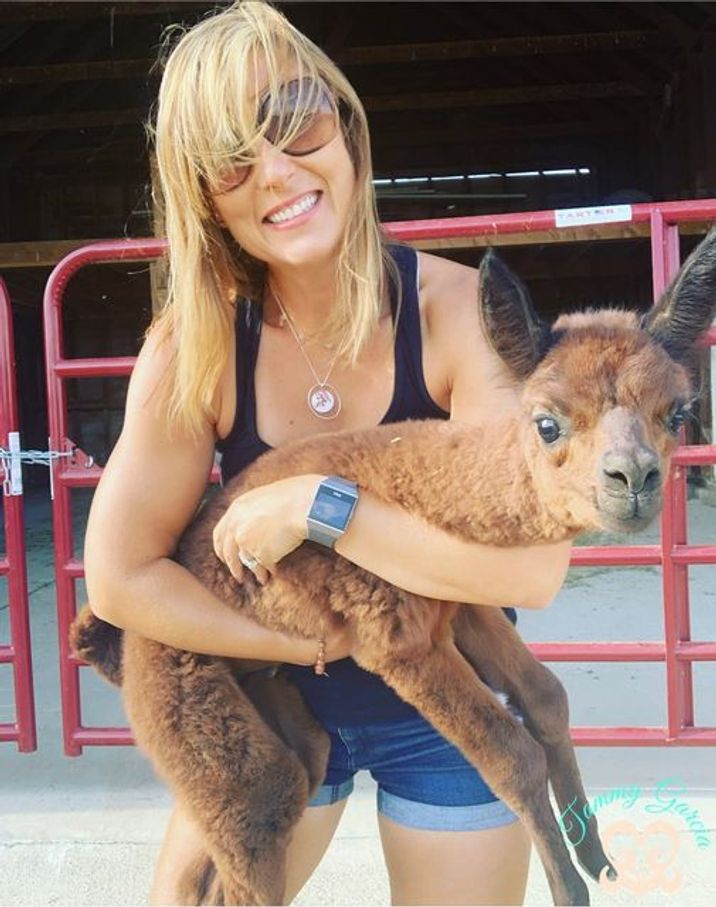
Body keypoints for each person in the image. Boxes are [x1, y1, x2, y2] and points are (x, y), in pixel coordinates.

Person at [84, 2, 572, 904]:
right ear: (205, 197)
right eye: (230, 158)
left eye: (295, 121)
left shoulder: (456, 313)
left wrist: (322, 507)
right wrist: (302, 641)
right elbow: (119, 577)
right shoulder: (195, 345)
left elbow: (533, 568)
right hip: (271, 699)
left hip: (448, 699)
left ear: (345, 126)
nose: (274, 171)